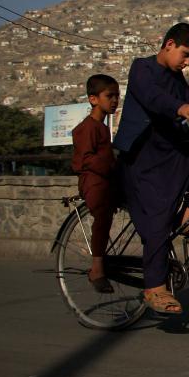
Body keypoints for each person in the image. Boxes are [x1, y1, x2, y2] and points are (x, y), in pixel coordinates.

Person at [113, 23, 189, 315]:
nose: (188, 62)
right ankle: (154, 287)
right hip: (144, 158)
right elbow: (154, 98)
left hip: (175, 152)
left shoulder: (179, 81)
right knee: (158, 218)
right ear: (169, 45)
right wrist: (178, 108)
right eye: (186, 54)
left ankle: (185, 220)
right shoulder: (141, 69)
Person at [71, 74, 120, 293]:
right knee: (101, 219)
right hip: (94, 181)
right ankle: (97, 267)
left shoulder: (101, 127)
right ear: (93, 99)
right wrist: (109, 165)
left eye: (117, 96)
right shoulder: (88, 127)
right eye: (109, 96)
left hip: (105, 179)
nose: (114, 100)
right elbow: (84, 160)